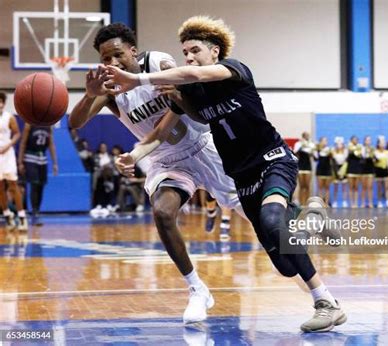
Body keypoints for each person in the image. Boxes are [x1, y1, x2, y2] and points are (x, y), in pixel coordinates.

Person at [105, 15, 346, 333]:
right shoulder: (192, 94)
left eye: (195, 51)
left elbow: (193, 73)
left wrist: (136, 79)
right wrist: (135, 155)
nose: (189, 58)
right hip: (242, 177)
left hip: (272, 160)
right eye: (185, 53)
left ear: (214, 52)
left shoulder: (235, 70)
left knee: (274, 221)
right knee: (286, 265)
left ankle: (326, 303)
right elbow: (162, 131)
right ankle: (312, 218)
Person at [69, 23, 243, 324]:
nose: (112, 64)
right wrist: (88, 95)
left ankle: (305, 236)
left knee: (263, 218)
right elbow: (76, 122)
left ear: (133, 51)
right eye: (106, 59)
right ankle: (197, 289)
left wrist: (174, 93)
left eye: (118, 55)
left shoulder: (158, 62)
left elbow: (185, 95)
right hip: (165, 160)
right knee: (162, 213)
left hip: (204, 146)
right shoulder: (109, 90)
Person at [18, 124, 58, 225]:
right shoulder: (28, 124)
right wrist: (20, 162)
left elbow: (51, 144)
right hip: (30, 156)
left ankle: (37, 211)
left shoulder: (48, 125)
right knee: (34, 185)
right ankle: (34, 212)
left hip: (42, 157)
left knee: (41, 186)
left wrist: (55, 163)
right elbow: (23, 143)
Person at [0, 92, 28, 231]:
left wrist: (8, 145)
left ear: (3, 103)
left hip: (7, 154)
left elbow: (17, 133)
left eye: (0, 102)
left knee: (13, 185)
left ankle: (22, 217)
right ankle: (7, 216)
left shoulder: (8, 117)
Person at [293, 132, 315, 205]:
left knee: (307, 186)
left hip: (308, 166)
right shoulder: (298, 144)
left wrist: (311, 150)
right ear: (303, 136)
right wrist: (301, 145)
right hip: (300, 166)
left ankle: (307, 202)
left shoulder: (311, 144)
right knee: (302, 186)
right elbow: (295, 153)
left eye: (308, 136)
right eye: (305, 136)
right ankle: (301, 202)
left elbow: (315, 156)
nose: (307, 137)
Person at [373, 137, 388, 208]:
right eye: (381, 143)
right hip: (378, 170)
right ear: (378, 144)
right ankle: (379, 201)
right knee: (379, 187)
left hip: (385, 170)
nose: (382, 144)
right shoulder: (375, 152)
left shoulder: (387, 152)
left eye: (383, 143)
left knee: (387, 187)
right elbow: (374, 162)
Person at [331, 137, 349, 208]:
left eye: (341, 144)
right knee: (336, 187)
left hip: (343, 168)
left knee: (344, 186)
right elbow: (333, 160)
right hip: (336, 168)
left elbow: (346, 159)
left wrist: (343, 170)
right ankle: (335, 201)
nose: (339, 145)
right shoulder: (333, 151)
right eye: (337, 144)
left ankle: (344, 201)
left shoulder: (345, 151)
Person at [314, 137, 332, 205]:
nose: (324, 142)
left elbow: (332, 159)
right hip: (320, 170)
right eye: (323, 141)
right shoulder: (317, 150)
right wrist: (315, 150)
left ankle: (326, 203)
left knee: (327, 188)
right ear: (320, 142)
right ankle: (320, 203)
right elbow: (315, 159)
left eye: (326, 141)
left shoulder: (329, 150)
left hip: (328, 170)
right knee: (320, 187)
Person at [347, 136, 363, 208]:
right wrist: (350, 150)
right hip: (350, 168)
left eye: (356, 139)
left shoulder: (360, 148)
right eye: (354, 140)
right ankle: (351, 203)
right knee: (351, 187)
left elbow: (362, 157)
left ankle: (356, 203)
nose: (355, 141)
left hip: (357, 169)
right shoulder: (348, 148)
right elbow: (347, 157)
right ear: (351, 141)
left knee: (356, 187)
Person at [360, 136, 375, 208]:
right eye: (367, 140)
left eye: (370, 140)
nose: (368, 141)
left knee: (370, 187)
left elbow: (374, 158)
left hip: (370, 169)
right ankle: (363, 203)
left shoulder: (372, 149)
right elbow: (362, 157)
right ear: (364, 141)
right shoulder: (362, 148)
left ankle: (370, 202)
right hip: (363, 169)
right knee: (364, 187)